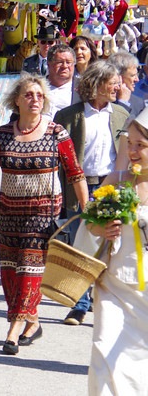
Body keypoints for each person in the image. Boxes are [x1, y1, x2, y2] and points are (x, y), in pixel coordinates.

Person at [0, 75, 88, 355]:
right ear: (16, 100)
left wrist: (87, 210)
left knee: (29, 272)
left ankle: (13, 330)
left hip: (43, 216)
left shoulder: (56, 133)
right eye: (28, 94)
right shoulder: (2, 134)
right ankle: (33, 322)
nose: (35, 99)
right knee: (10, 275)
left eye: (39, 95)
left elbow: (75, 174)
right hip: (9, 215)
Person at [54, 61, 129, 326]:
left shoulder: (121, 115)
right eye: (113, 82)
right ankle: (79, 305)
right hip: (79, 186)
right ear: (96, 84)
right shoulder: (68, 116)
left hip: (111, 189)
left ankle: (103, 300)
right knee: (81, 248)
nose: (117, 87)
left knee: (109, 248)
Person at [83, 115, 148, 395]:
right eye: (129, 143)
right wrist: (103, 228)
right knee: (104, 351)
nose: (132, 151)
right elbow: (89, 223)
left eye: (141, 145)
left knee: (138, 363)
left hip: (146, 292)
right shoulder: (116, 181)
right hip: (112, 285)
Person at [45, 43, 81, 118]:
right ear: (48, 64)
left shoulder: (82, 89)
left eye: (68, 62)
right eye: (59, 62)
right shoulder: (37, 86)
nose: (64, 66)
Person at [109, 51, 144, 116]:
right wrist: (122, 102)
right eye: (132, 75)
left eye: (136, 75)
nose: (137, 80)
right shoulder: (104, 101)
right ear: (118, 76)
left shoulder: (138, 103)